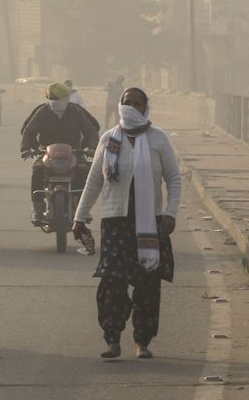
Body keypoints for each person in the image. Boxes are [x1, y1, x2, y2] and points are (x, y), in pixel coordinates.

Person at [73, 88, 183, 360]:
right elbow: (94, 180)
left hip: (150, 223)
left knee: (147, 285)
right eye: (127, 102)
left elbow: (173, 178)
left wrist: (170, 213)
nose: (131, 106)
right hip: (115, 224)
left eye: (137, 103)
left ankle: (142, 341)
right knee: (113, 283)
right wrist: (79, 216)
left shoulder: (158, 139)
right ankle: (112, 339)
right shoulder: (109, 138)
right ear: (120, 105)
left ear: (146, 107)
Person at [20, 82, 101, 226]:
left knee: (83, 170)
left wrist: (92, 147)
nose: (55, 101)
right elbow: (29, 131)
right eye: (52, 98)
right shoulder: (42, 112)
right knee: (37, 170)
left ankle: (82, 207)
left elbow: (91, 131)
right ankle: (38, 208)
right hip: (47, 152)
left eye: (58, 98)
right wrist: (26, 148)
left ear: (67, 98)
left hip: (74, 152)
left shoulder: (76, 111)